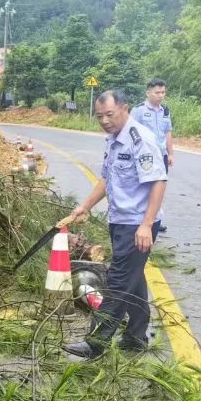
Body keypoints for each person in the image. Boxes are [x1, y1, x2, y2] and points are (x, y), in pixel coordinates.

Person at [59, 90, 167, 359]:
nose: (105, 120)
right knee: (134, 278)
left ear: (125, 109)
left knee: (119, 280)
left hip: (137, 224)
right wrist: (85, 206)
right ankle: (135, 337)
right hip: (120, 221)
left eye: (110, 114)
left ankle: (97, 342)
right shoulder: (113, 140)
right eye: (99, 116)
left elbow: (158, 182)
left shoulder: (140, 139)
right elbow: (107, 180)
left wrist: (146, 224)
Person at [131, 79, 174, 171]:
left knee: (162, 183)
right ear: (148, 93)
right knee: (147, 184)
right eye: (157, 93)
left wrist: (170, 154)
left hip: (162, 155)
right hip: (145, 156)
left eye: (163, 92)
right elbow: (130, 132)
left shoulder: (165, 111)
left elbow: (167, 133)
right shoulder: (139, 110)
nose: (161, 96)